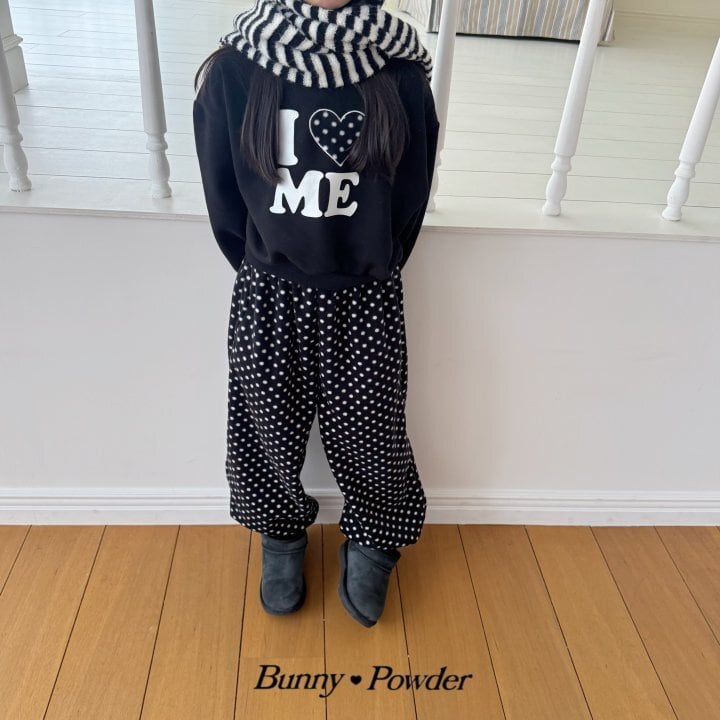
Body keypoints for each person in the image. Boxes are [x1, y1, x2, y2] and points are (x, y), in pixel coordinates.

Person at [193, 0, 440, 628]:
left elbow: (411, 196)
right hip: (269, 292)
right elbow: (223, 195)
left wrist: (369, 263)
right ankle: (279, 532)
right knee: (265, 424)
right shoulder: (235, 69)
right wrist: (267, 263)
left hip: (365, 295)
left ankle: (375, 536)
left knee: (372, 431)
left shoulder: (399, 73)